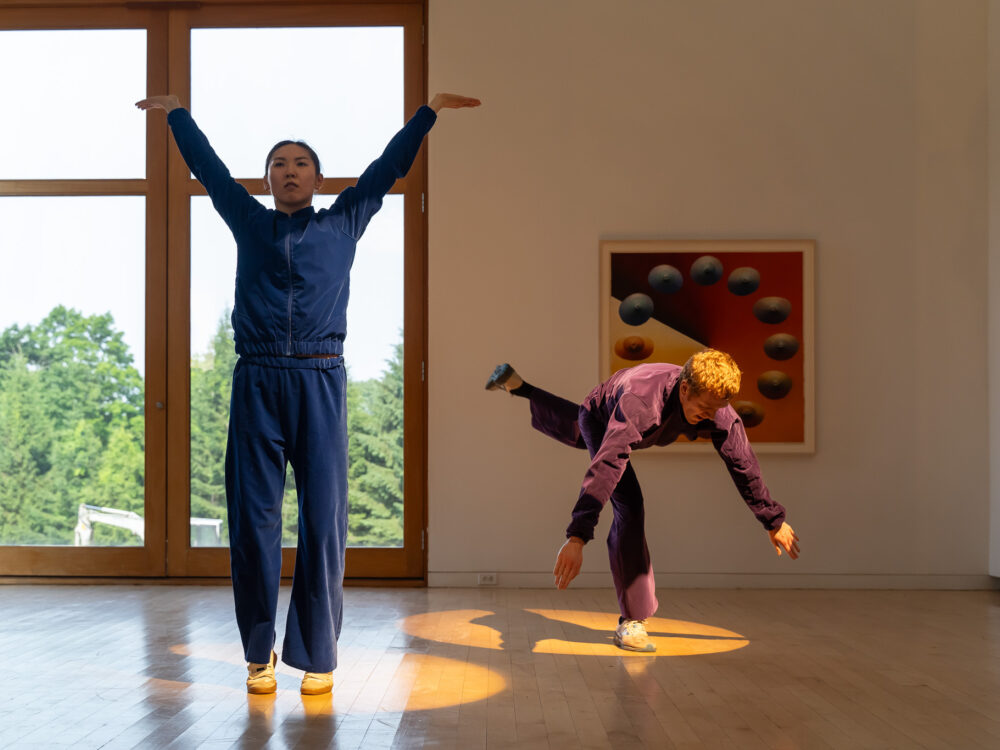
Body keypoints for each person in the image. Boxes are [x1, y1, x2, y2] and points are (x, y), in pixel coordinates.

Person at [137, 91, 480, 694]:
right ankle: (258, 652)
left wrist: (426, 114)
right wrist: (176, 117)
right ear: (267, 180)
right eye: (278, 164)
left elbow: (387, 168)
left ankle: (318, 654)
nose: (288, 171)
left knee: (323, 522)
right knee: (252, 523)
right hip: (258, 382)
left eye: (299, 163)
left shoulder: (344, 220)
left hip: (321, 379)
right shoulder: (248, 220)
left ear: (318, 178)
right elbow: (209, 169)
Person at [485, 349, 800, 652]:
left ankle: (520, 387)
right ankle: (632, 621)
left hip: (637, 421)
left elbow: (743, 463)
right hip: (601, 414)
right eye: (704, 410)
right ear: (685, 388)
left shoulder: (719, 412)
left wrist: (772, 520)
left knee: (574, 427)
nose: (711, 417)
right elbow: (606, 467)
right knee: (629, 503)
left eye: (716, 410)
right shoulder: (640, 401)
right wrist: (577, 536)